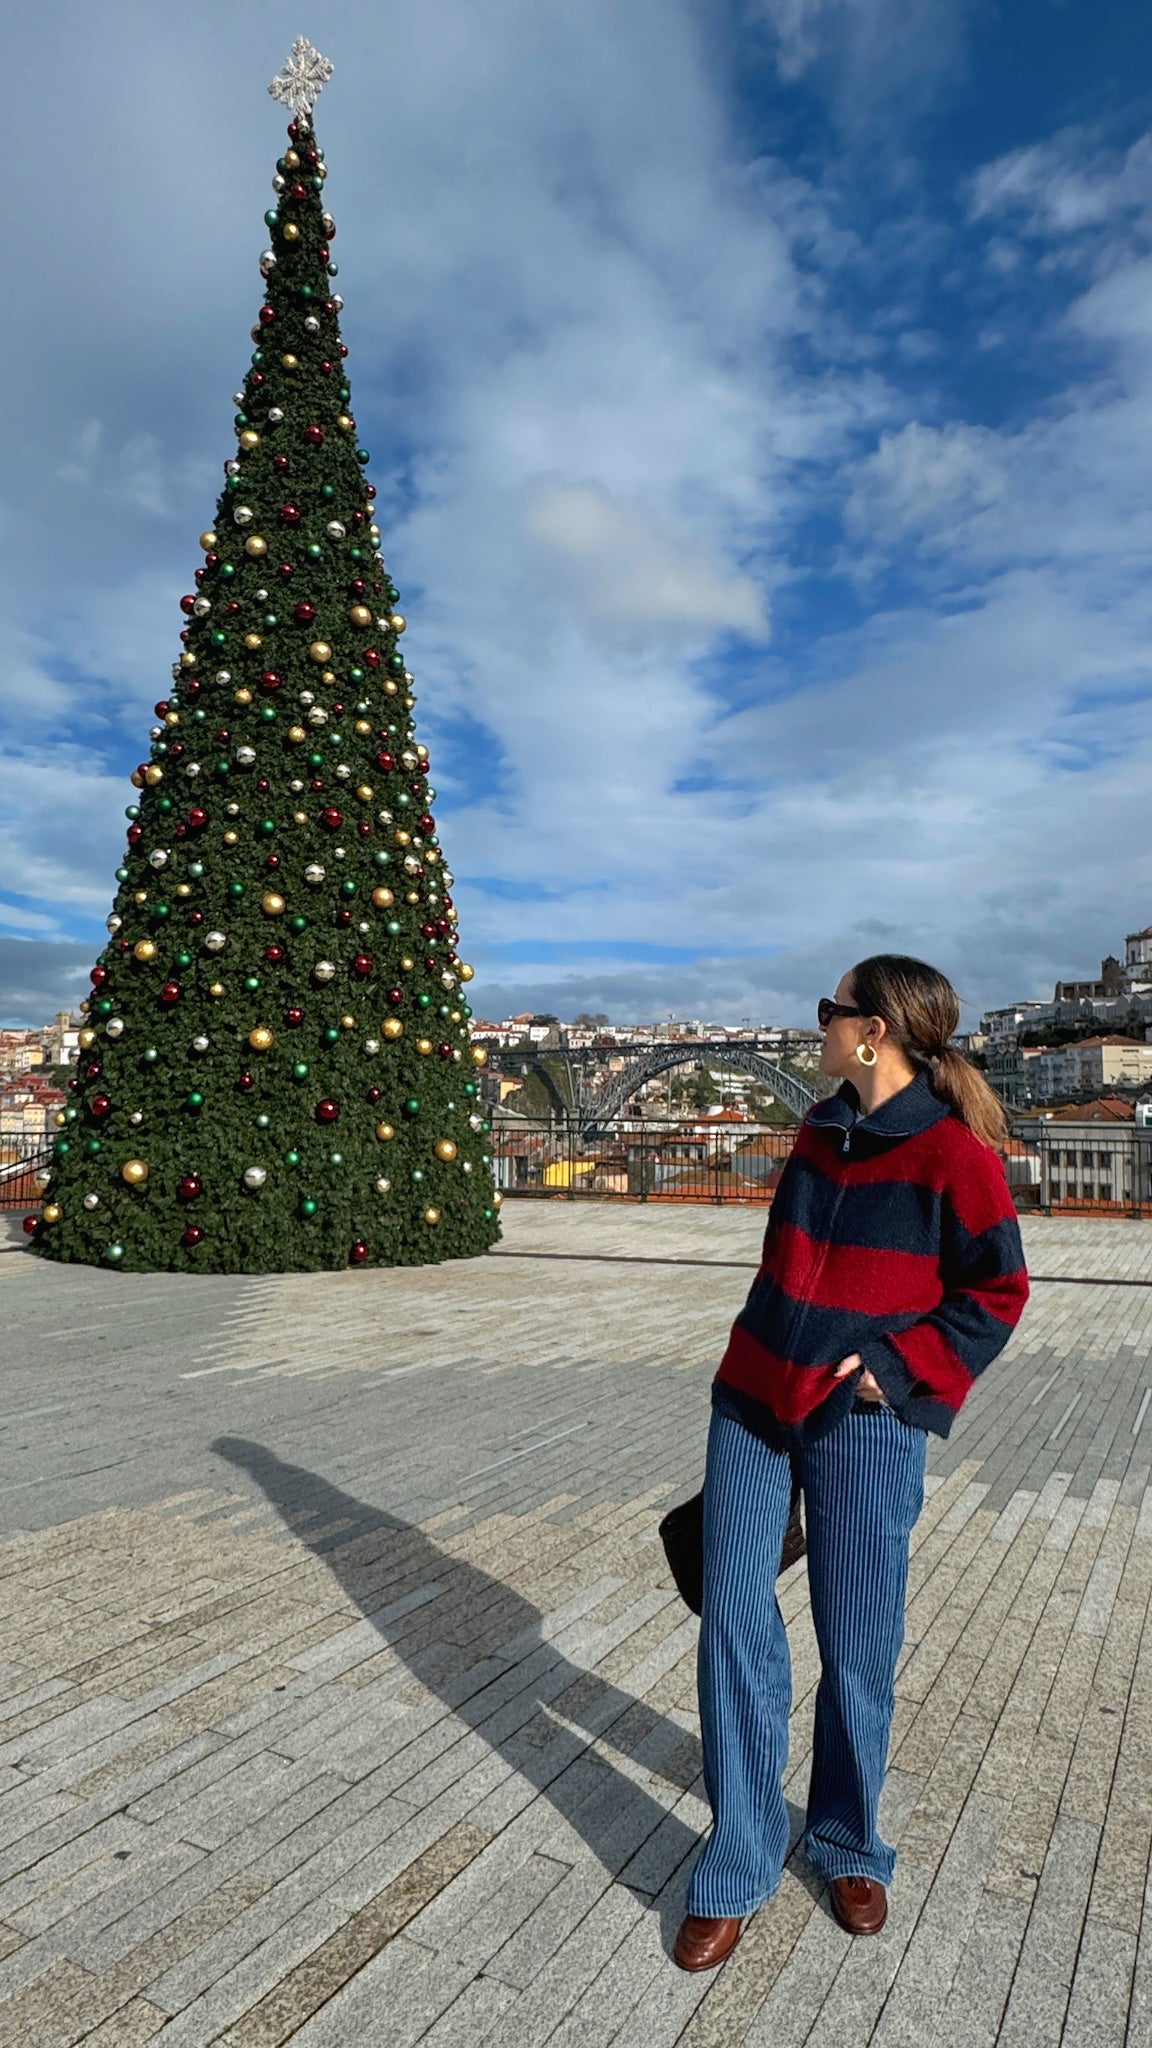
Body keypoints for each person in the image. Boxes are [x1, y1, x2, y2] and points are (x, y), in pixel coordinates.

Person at [673, 954, 1028, 1972]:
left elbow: (998, 1290)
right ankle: (738, 1858)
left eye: (831, 1010)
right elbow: (782, 1261)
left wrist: (892, 1369)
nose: (818, 1022)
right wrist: (756, 1339)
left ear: (873, 1030)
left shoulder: (954, 1153)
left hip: (862, 1421)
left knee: (857, 1641)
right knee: (734, 1624)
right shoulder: (819, 1128)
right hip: (751, 1399)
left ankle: (846, 1839)